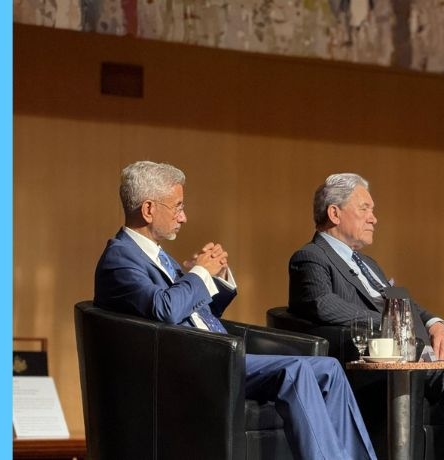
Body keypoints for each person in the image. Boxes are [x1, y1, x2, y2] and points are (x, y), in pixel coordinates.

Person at [93, 161, 377, 460]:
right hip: (194, 366)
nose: (183, 217)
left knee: (329, 367)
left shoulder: (156, 254)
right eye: (177, 206)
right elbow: (165, 310)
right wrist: (198, 274)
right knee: (297, 371)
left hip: (216, 353)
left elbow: (194, 312)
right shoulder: (121, 259)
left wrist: (211, 278)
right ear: (148, 209)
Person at [288, 173, 444, 460]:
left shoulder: (368, 263)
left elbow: (404, 303)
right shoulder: (311, 257)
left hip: (414, 362)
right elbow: (322, 305)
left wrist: (434, 322)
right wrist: (392, 324)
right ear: (334, 213)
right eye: (365, 209)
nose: (374, 218)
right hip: (370, 369)